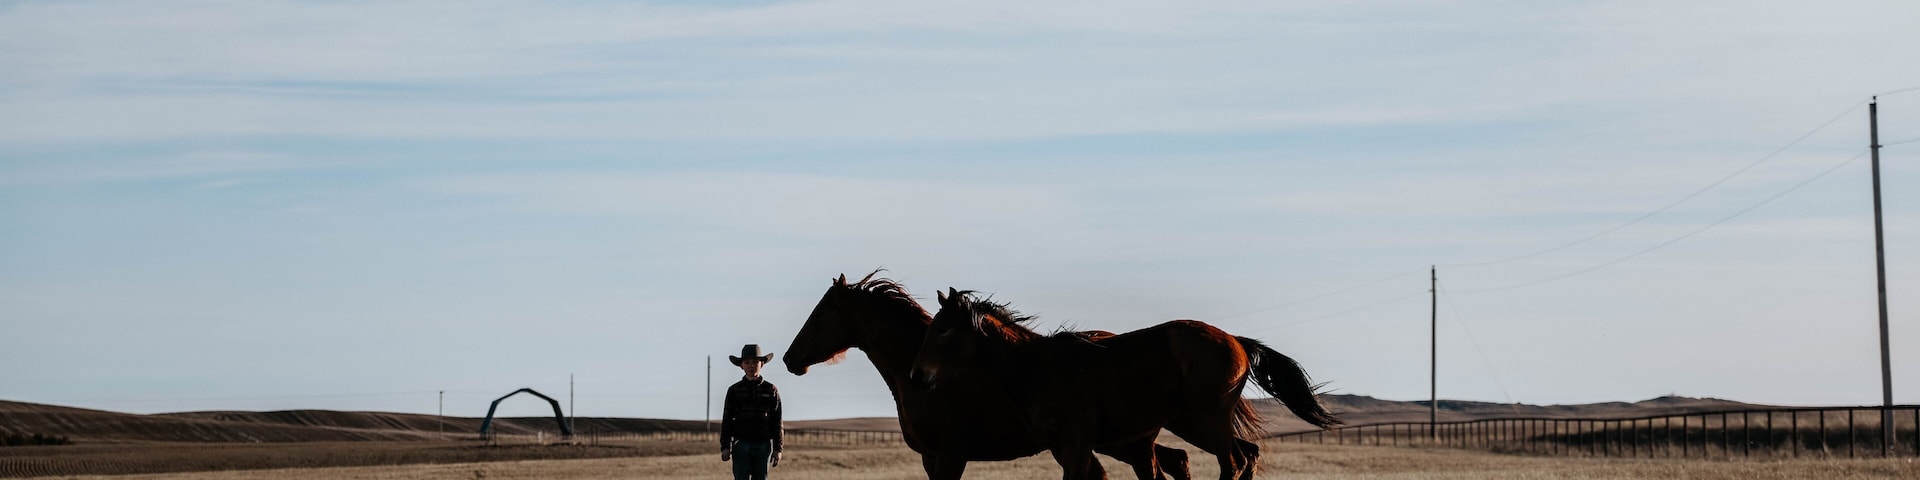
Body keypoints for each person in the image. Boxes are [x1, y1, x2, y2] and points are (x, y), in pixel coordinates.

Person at [720, 344, 783, 480]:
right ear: (741, 366)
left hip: (763, 444)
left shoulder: (771, 390)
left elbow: (777, 421)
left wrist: (778, 449)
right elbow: (727, 420)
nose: (751, 365)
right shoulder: (734, 390)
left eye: (755, 362)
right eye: (747, 362)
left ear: (762, 364)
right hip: (740, 444)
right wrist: (725, 446)